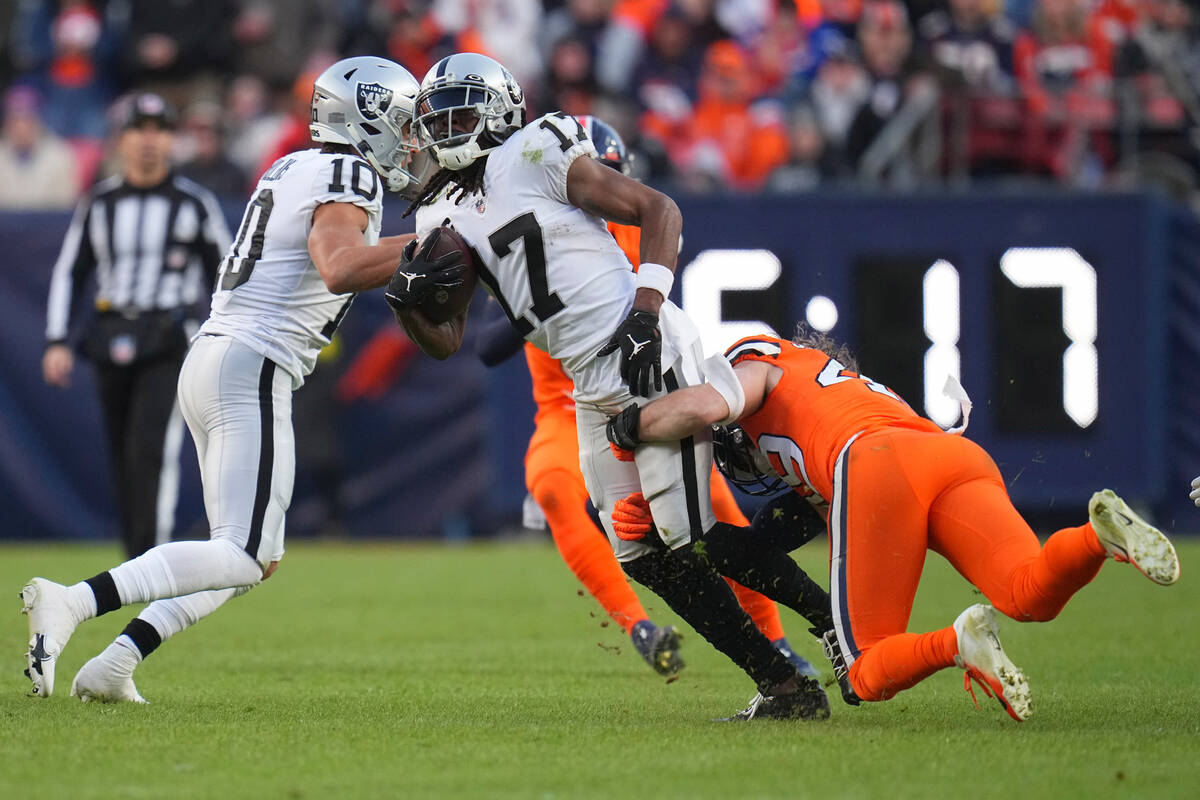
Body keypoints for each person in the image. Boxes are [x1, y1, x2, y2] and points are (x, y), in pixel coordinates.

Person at [388, 52, 830, 720]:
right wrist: (409, 306)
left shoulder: (537, 148)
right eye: (436, 114)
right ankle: (783, 685)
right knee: (642, 554)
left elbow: (659, 208)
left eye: (459, 109)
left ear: (500, 109)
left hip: (643, 350)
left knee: (696, 535)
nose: (444, 126)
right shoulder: (440, 211)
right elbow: (450, 344)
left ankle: (834, 623)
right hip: (588, 383)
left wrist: (646, 314)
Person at [22, 56, 429, 703]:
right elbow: (340, 264)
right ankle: (72, 601)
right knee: (241, 553)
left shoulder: (292, 164)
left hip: (217, 357)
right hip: (251, 364)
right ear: (367, 118)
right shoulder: (349, 170)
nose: (410, 139)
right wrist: (434, 236)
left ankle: (116, 663)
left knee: (250, 559)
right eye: (403, 122)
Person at [606, 329, 1181, 721]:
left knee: (864, 672)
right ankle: (1098, 536)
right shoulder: (838, 394)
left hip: (878, 463)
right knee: (1029, 592)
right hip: (950, 455)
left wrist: (632, 426)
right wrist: (671, 531)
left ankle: (957, 642)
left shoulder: (755, 363)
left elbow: (708, 408)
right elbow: (768, 541)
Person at [478, 114, 819, 678]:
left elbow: (655, 256)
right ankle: (640, 627)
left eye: (602, 176)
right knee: (556, 488)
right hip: (569, 409)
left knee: (712, 510)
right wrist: (543, 298)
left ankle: (779, 644)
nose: (590, 190)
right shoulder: (525, 231)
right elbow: (489, 346)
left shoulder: (632, 230)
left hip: (644, 391)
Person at [43, 92, 231, 559]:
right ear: (121, 140)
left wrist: (220, 337)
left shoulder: (193, 202)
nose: (149, 141)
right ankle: (135, 558)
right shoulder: (101, 202)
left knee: (152, 450)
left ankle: (150, 560)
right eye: (138, 130)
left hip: (169, 337)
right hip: (110, 334)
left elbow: (226, 276)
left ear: (172, 140)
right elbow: (72, 271)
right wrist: (57, 340)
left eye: (159, 130)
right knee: (123, 455)